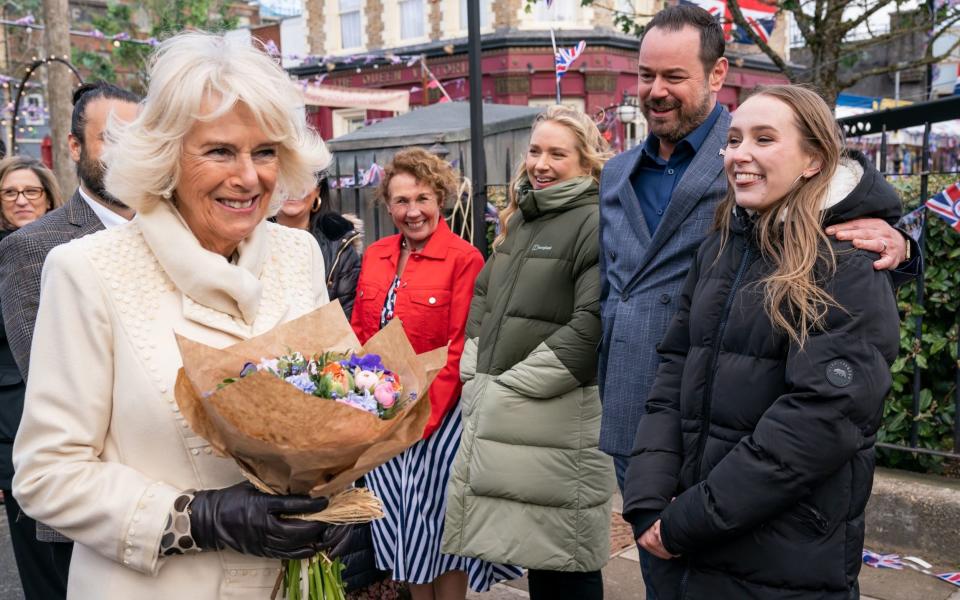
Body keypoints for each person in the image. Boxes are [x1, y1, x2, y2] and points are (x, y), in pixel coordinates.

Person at [10, 32, 349, 598]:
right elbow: (47, 476)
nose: (248, 177)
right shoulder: (88, 269)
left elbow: (338, 408)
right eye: (220, 151)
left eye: (265, 152)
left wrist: (334, 505)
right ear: (166, 155)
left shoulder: (299, 254)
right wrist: (198, 518)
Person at [596, 6, 917, 596]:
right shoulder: (624, 177)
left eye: (674, 76)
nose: (655, 90)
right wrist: (647, 500)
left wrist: (903, 242)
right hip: (656, 445)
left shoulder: (837, 248)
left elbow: (819, 418)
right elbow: (656, 340)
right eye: (645, 75)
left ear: (716, 75)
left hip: (767, 521)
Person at [443, 106, 615, 600]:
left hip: (558, 420)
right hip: (514, 417)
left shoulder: (594, 221)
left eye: (557, 153)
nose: (540, 163)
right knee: (543, 555)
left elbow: (593, 324)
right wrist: (475, 370)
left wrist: (510, 386)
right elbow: (484, 299)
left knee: (568, 556)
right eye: (535, 150)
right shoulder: (522, 222)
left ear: (586, 162)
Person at [351, 147, 520, 600]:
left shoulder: (465, 259)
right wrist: (356, 403)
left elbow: (461, 349)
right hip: (384, 420)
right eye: (402, 201)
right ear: (387, 205)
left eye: (422, 199)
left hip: (437, 423)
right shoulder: (376, 255)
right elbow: (360, 335)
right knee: (399, 527)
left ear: (440, 200)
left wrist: (420, 421)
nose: (412, 211)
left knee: (440, 532)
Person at [0, 81, 140, 598]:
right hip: (87, 499)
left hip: (175, 500)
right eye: (110, 139)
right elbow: (52, 383)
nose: (127, 154)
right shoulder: (32, 247)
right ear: (75, 148)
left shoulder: (173, 233)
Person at [0, 156, 62, 600]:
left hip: (72, 409)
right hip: (11, 420)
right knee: (37, 556)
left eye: (31, 192)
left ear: (47, 197)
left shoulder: (71, 248)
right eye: (10, 192)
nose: (21, 200)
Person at [276, 173, 362, 318]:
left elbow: (345, 323)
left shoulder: (341, 247)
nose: (294, 187)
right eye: (285, 177)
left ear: (318, 190)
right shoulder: (245, 240)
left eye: (304, 178)